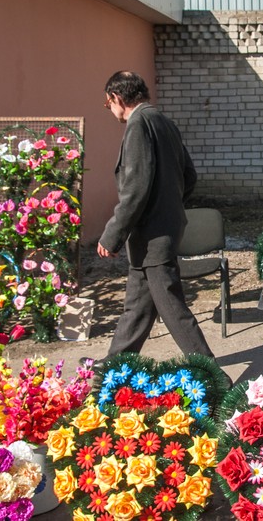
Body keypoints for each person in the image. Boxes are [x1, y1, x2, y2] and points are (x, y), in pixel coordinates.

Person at [97, 71, 215, 359]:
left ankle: (213, 376)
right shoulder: (163, 121)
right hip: (159, 233)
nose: (110, 109)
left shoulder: (138, 124)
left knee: (174, 311)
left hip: (152, 237)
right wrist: (170, 206)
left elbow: (135, 189)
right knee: (136, 309)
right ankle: (112, 369)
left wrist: (112, 234)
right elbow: (189, 175)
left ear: (117, 98)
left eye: (108, 103)